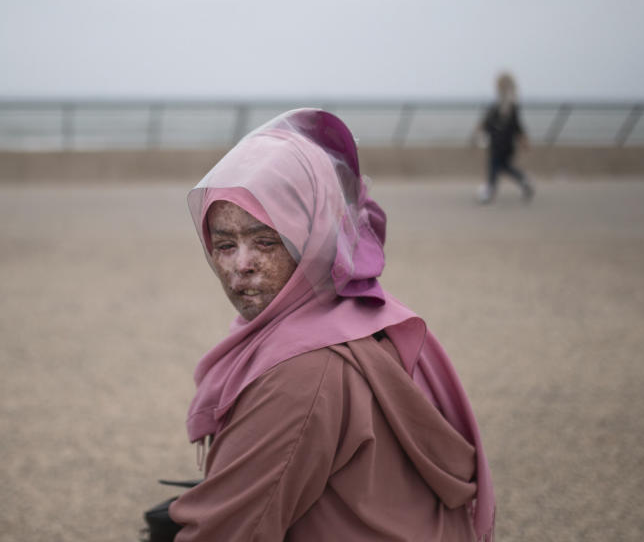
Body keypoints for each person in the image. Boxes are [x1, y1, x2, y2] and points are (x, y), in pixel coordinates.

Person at [168, 109, 495, 541]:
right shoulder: (362, 316)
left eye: (266, 240)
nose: (240, 266)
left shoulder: (304, 371)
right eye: (224, 244)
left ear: (316, 237)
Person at [474, 72, 534, 203]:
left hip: (499, 144)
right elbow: (518, 127)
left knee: (495, 165)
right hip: (505, 144)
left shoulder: (501, 108)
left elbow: (488, 123)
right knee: (503, 166)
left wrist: (481, 132)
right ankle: (522, 180)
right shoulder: (508, 107)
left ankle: (490, 190)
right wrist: (523, 140)